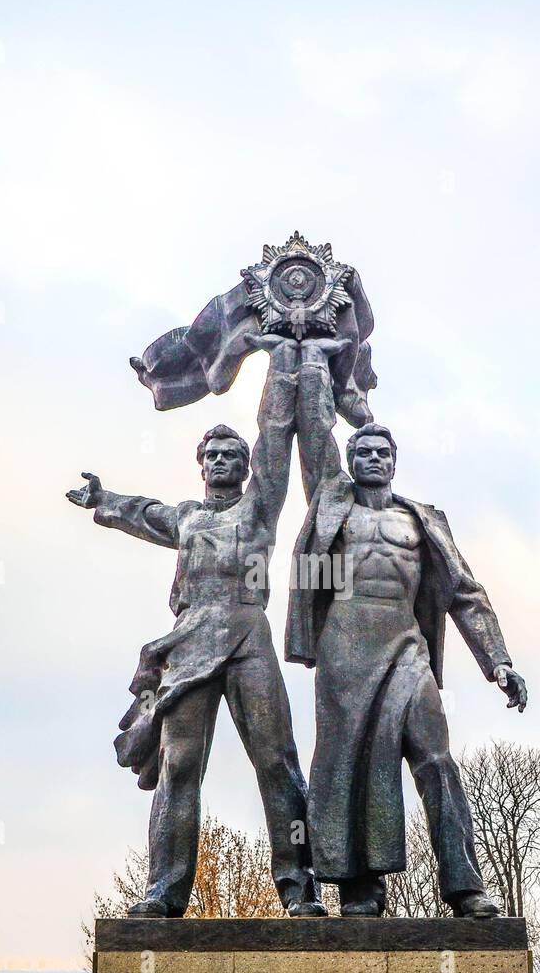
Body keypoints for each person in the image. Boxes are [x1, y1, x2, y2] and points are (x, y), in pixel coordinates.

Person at [66, 336, 344, 918]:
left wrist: (283, 362)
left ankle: (300, 890)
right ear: (201, 466)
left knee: (277, 763)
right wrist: (102, 498)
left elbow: (273, 435)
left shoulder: (258, 509)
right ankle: (164, 894)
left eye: (230, 456)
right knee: (180, 766)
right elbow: (142, 513)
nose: (220, 462)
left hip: (248, 639)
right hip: (190, 642)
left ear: (244, 468)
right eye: (211, 456)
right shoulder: (188, 517)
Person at [286, 422, 527, 918]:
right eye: (363, 451)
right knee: (345, 763)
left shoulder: (422, 522)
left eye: (382, 452)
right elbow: (314, 436)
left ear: (394, 461)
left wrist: (498, 661)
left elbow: (465, 592)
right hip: (344, 647)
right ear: (350, 461)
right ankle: (360, 888)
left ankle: (465, 886)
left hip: (405, 644)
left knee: (435, 757)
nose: (373, 459)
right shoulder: (333, 511)